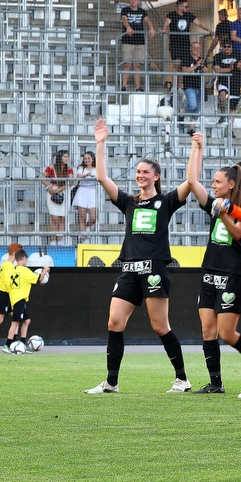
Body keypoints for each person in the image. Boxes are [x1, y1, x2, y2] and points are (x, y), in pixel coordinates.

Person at [84, 119, 192, 394]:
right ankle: (111, 383)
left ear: (156, 176)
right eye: (137, 172)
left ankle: (182, 379)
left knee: (159, 326)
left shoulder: (166, 201)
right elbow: (101, 178)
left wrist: (196, 148)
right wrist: (101, 142)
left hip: (155, 268)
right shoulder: (129, 202)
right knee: (114, 322)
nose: (140, 175)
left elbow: (191, 182)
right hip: (129, 269)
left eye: (145, 172)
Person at [185, 134, 241, 393]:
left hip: (230, 274)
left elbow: (238, 234)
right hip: (209, 273)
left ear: (231, 184)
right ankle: (216, 383)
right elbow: (192, 181)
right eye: (213, 181)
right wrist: (197, 148)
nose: (213, 185)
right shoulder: (214, 203)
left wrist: (224, 213)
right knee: (207, 330)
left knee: (228, 333)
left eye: (218, 182)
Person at [0, 249, 48, 352]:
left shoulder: (13, 271)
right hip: (19, 300)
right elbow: (39, 279)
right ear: (24, 259)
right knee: (15, 323)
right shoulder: (25, 271)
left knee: (27, 320)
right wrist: (45, 270)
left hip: (14, 299)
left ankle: (22, 344)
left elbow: (8, 286)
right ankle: (7, 345)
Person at [161, 0, 208, 92]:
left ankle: (178, 87)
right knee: (176, 64)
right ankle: (174, 86)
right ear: (180, 6)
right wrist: (164, 28)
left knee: (183, 65)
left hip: (185, 44)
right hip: (175, 44)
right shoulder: (172, 15)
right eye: (186, 6)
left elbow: (199, 23)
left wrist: (209, 30)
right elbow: (166, 22)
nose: (188, 8)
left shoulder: (189, 15)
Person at [120, 0, 155, 92]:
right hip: (127, 41)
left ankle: (137, 87)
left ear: (138, 1)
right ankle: (124, 86)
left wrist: (151, 28)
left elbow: (147, 20)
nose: (133, 1)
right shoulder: (125, 10)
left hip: (140, 41)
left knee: (137, 65)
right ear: (129, 0)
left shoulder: (142, 11)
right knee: (127, 63)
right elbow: (124, 19)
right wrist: (128, 27)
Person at [42, 150, 73, 244]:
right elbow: (42, 177)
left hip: (64, 192)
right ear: (60, 158)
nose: (67, 159)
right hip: (53, 191)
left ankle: (60, 240)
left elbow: (71, 182)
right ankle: (53, 241)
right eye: (65, 157)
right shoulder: (51, 167)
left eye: (67, 156)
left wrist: (59, 189)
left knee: (62, 218)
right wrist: (49, 187)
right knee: (54, 218)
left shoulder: (69, 169)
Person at [212, 40, 241, 122]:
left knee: (232, 108)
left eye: (228, 46)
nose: (226, 48)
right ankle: (222, 115)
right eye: (224, 46)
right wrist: (229, 69)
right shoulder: (217, 56)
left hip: (235, 83)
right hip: (223, 81)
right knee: (222, 94)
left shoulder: (238, 55)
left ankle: (230, 130)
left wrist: (239, 66)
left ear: (232, 47)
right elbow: (217, 70)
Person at [180, 42, 206, 132]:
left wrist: (202, 65)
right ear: (190, 48)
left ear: (200, 49)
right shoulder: (186, 58)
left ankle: (191, 128)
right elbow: (184, 70)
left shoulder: (201, 59)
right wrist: (196, 66)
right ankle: (182, 112)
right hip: (189, 86)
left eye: (198, 48)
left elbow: (206, 71)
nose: (196, 49)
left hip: (200, 87)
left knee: (197, 108)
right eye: (194, 47)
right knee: (192, 105)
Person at [73, 151, 98, 238]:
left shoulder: (96, 168)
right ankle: (84, 238)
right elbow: (79, 176)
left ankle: (87, 226)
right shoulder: (81, 167)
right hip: (82, 191)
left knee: (94, 217)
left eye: (88, 158)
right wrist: (86, 175)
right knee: (82, 217)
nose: (87, 160)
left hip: (92, 191)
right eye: (85, 159)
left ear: (92, 159)